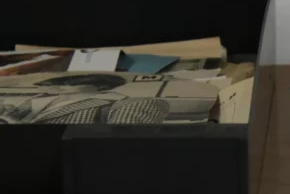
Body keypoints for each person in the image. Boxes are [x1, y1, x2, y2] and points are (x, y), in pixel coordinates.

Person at [0, 73, 170, 124]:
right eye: (50, 83)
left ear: (100, 86)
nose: (52, 87)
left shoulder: (136, 104)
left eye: (67, 83)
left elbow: (120, 150)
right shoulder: (28, 103)